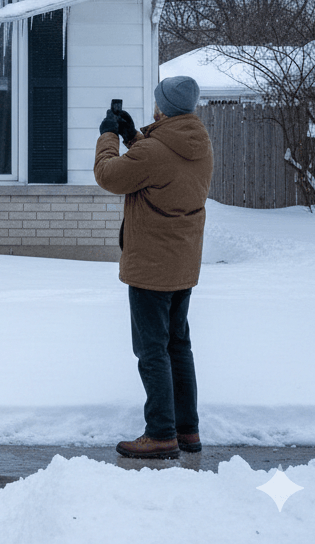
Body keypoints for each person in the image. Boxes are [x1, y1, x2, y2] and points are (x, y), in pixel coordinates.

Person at [93, 76, 213, 459]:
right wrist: (135, 138)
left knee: (152, 350)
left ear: (163, 107)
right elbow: (162, 165)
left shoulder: (156, 151)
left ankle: (161, 433)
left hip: (150, 266)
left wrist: (109, 137)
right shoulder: (199, 144)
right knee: (178, 345)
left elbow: (109, 176)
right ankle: (187, 430)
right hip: (182, 263)